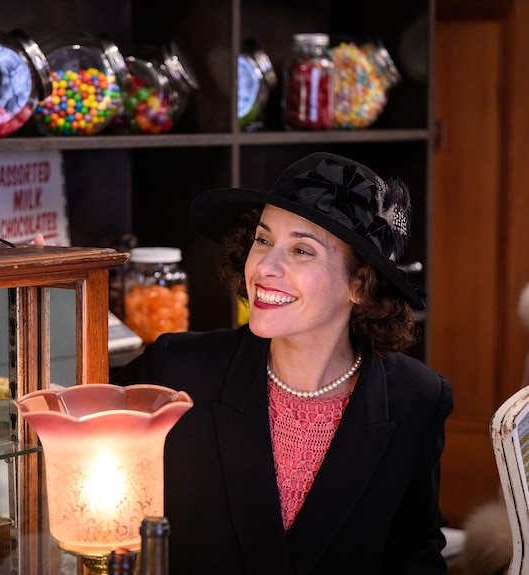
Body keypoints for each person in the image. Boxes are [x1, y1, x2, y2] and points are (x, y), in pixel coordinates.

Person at [112, 152, 454, 574]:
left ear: (360, 285)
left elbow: (415, 555)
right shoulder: (177, 369)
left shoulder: (417, 398)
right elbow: (61, 407)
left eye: (302, 251)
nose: (265, 267)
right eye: (263, 240)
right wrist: (44, 284)